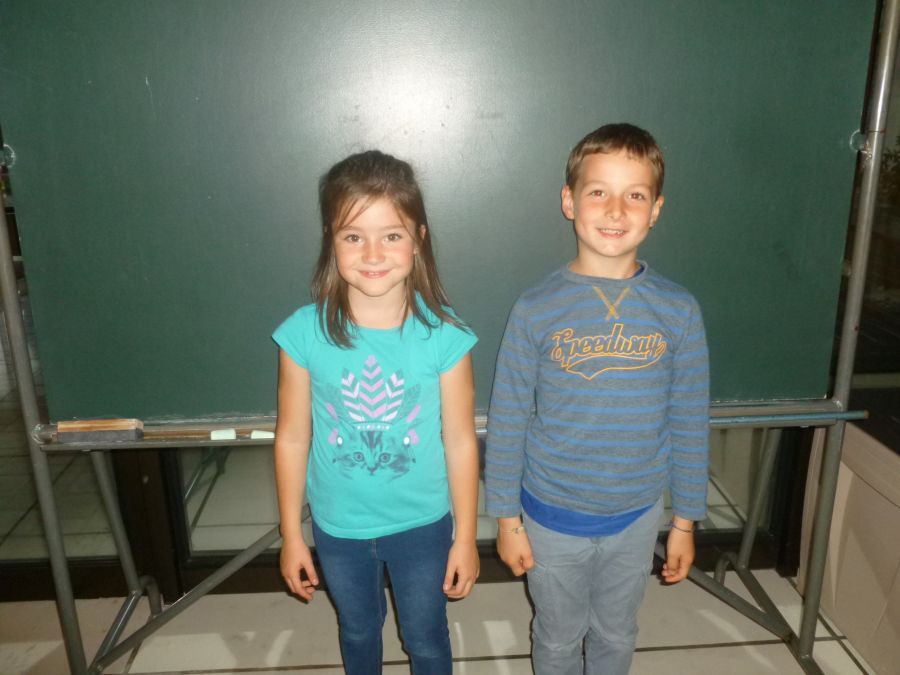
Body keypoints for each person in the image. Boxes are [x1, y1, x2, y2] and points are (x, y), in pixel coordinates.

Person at [485, 123, 709, 674]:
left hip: (636, 516)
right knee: (558, 637)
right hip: (550, 515)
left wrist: (685, 522)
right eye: (598, 192)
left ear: (655, 210)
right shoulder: (535, 308)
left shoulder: (678, 310)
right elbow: (509, 419)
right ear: (569, 202)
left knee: (616, 630)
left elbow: (689, 420)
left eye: (635, 195)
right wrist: (506, 520)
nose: (615, 210)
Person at [273, 150, 479, 674]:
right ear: (331, 239)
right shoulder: (302, 334)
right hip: (338, 528)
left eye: (391, 235)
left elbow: (459, 440)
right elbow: (293, 437)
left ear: (419, 238)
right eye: (352, 236)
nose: (372, 253)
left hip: (423, 526)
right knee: (358, 630)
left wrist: (465, 537)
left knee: (426, 639)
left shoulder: (446, 337)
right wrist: (292, 535)